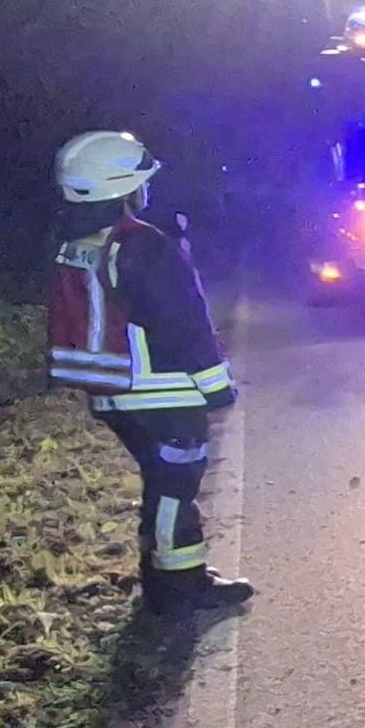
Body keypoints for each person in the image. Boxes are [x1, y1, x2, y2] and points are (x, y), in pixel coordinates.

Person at [45, 129, 255, 614]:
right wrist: (216, 386)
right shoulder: (143, 244)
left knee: (161, 483)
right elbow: (183, 323)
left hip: (114, 392)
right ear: (125, 187)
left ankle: (168, 577)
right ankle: (179, 589)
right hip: (163, 392)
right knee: (175, 489)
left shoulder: (76, 242)